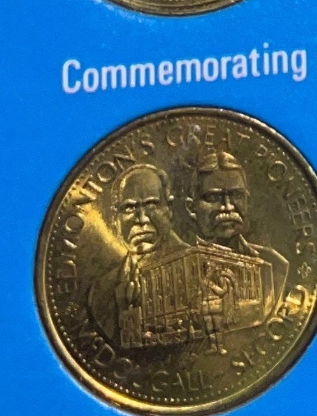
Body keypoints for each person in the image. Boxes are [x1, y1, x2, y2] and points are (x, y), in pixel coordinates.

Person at [86, 163, 189, 350]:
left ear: (169, 209)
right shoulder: (101, 291)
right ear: (115, 220)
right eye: (129, 208)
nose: (142, 219)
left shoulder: (197, 267)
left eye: (151, 205)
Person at [185, 149, 290, 333]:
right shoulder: (180, 267)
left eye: (236, 195)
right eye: (213, 197)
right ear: (191, 208)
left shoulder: (275, 264)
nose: (227, 207)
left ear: (247, 201)